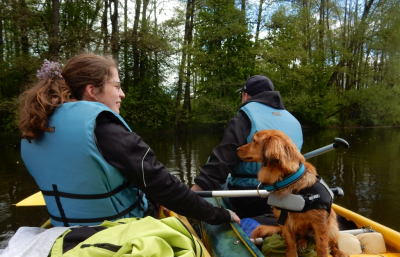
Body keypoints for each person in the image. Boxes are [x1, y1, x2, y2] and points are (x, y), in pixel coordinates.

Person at [18, 53, 240, 227]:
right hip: (114, 233)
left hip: (63, 231)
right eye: (116, 86)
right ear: (92, 91)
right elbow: (164, 186)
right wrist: (220, 214)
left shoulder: (37, 126)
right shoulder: (105, 130)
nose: (122, 94)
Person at [191, 75, 303, 225]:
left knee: (219, 177)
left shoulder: (243, 118)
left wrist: (188, 196)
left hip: (249, 199)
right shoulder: (294, 121)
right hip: (287, 195)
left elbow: (219, 166)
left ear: (245, 95)